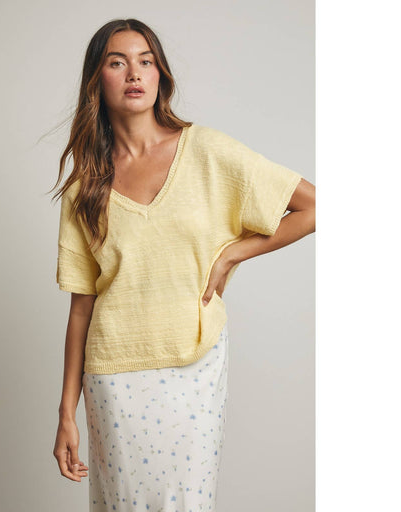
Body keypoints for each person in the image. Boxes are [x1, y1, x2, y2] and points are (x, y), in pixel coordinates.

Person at [50, 18, 315, 512]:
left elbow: (313, 208)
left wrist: (234, 252)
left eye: (146, 61)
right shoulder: (84, 186)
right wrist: (67, 412)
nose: (135, 73)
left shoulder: (207, 151)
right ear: (96, 80)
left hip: (194, 364)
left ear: (160, 75)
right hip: (113, 374)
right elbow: (81, 308)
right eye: (117, 62)